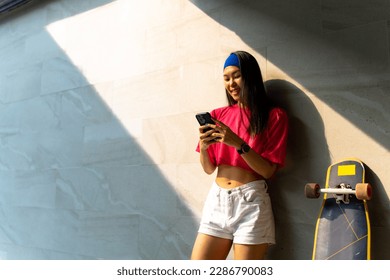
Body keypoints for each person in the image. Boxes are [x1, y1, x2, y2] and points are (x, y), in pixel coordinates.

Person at [191, 51, 288, 260]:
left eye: (236, 76)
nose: (231, 83)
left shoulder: (274, 116)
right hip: (216, 201)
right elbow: (208, 169)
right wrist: (204, 145)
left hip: (250, 203)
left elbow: (268, 171)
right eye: (226, 78)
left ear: (250, 76)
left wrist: (237, 143)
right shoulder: (218, 115)